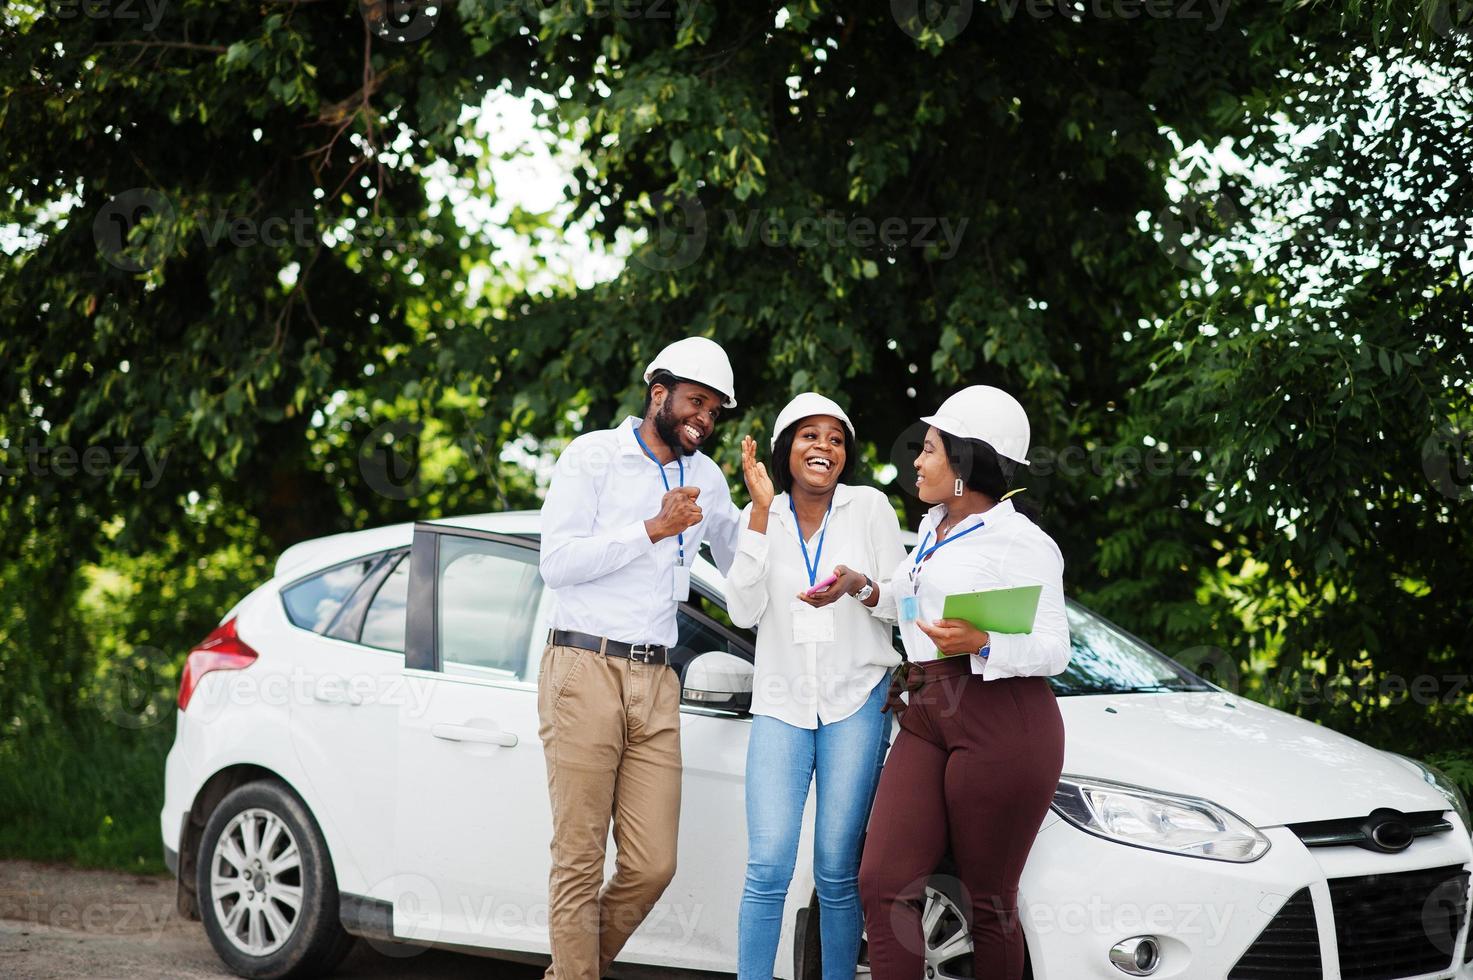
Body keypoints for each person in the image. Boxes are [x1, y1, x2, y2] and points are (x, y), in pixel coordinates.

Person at [536, 336, 744, 980]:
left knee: (653, 862)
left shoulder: (707, 476)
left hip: (658, 678)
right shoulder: (593, 457)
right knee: (579, 857)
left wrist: (768, 512)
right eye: (696, 402)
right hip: (583, 668)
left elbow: (743, 569)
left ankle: (572, 970)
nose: (704, 419)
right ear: (660, 394)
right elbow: (557, 563)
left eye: (714, 411)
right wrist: (650, 529)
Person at [857, 385, 1071, 980]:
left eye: (929, 450)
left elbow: (1055, 647)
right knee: (882, 880)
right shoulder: (931, 527)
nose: (917, 462)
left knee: (988, 902)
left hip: (1001, 717)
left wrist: (981, 642)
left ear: (964, 460)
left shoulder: (1021, 542)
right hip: (928, 707)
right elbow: (905, 604)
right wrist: (863, 587)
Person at [725, 392, 906, 980]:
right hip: (782, 702)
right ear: (786, 448)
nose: (823, 447)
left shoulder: (870, 508)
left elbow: (904, 606)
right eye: (810, 436)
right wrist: (755, 515)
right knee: (768, 867)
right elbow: (741, 611)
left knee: (835, 868)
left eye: (835, 438)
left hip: (856, 700)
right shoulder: (763, 513)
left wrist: (858, 585)